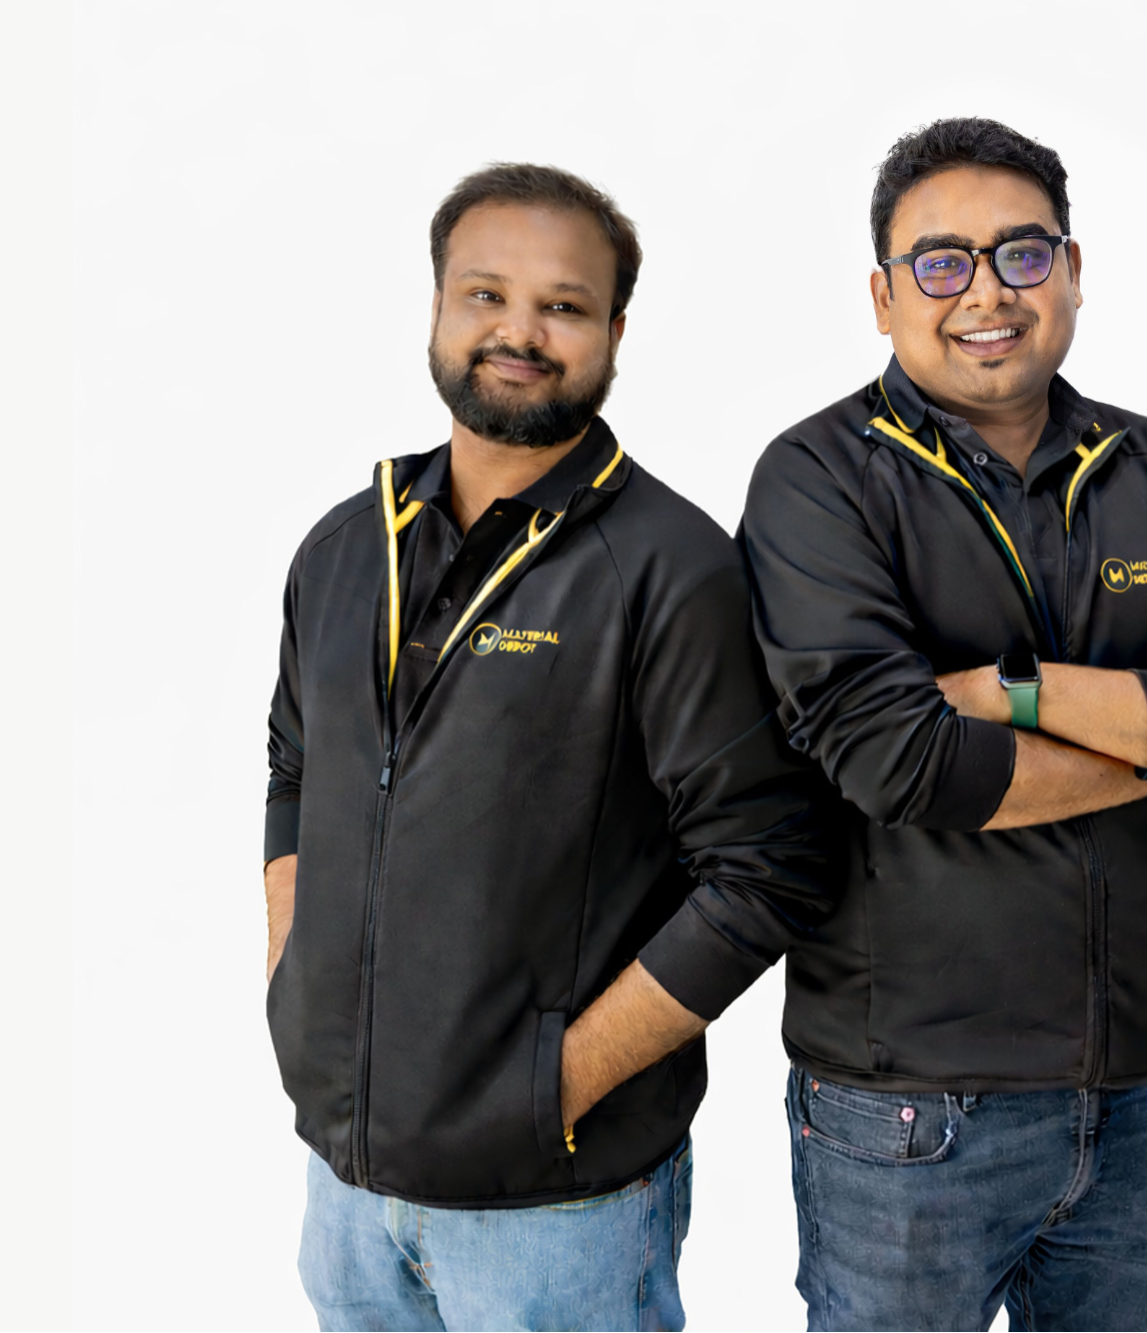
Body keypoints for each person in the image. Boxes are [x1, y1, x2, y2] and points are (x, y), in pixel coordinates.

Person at [740, 118, 1147, 1332]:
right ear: (882, 297)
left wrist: (1018, 691)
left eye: (1019, 253)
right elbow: (902, 762)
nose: (985, 293)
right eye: (939, 262)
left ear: (1068, 271)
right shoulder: (817, 480)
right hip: (908, 1111)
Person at [262, 163, 832, 1332]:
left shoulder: (669, 567)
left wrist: (547, 1087)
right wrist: (294, 991)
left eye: (562, 306)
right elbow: (294, 768)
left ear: (614, 333)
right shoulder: (344, 548)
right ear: (436, 306)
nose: (517, 331)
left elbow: (770, 868)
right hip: (344, 1188)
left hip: (556, 1213)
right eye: (485, 294)